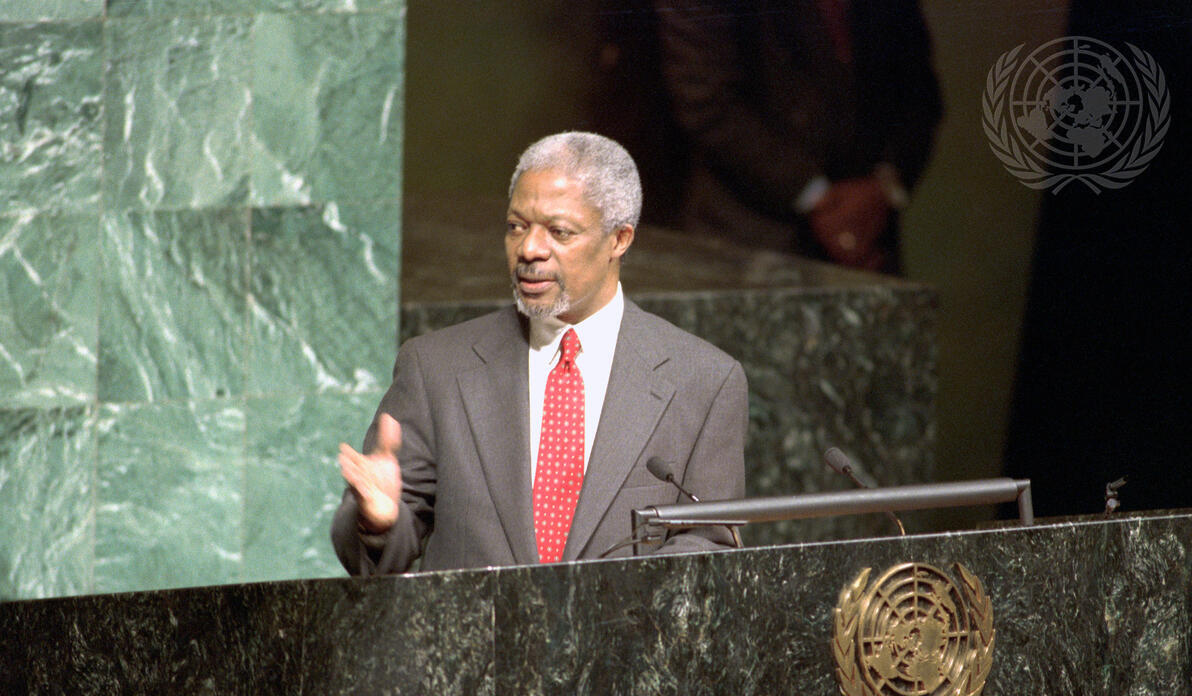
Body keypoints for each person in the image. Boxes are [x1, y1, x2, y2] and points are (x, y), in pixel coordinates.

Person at [332, 132, 748, 575]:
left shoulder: (704, 381)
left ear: (619, 239)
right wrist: (378, 520)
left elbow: (711, 547)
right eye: (517, 226)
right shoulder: (437, 368)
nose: (530, 249)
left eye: (559, 231)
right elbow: (373, 555)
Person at [651, 0, 943, 273]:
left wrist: (883, 186)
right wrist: (821, 200)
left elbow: (920, 93)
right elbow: (706, 102)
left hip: (869, 240)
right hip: (747, 241)